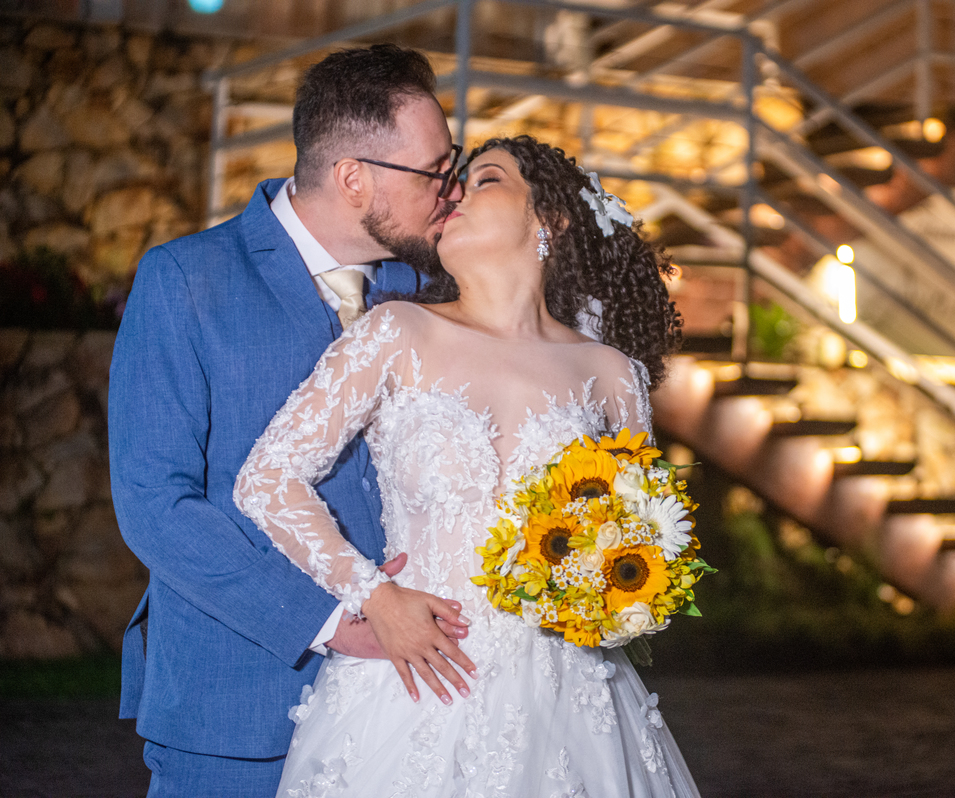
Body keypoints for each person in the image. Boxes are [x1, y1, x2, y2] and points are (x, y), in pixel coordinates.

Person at [233, 135, 700, 796]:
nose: (455, 194)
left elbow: (642, 539)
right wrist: (374, 597)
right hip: (417, 678)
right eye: (456, 181)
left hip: (573, 698)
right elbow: (267, 479)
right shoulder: (396, 332)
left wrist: (613, 593)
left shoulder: (611, 375)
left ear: (550, 219)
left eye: (486, 180)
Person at [109, 45, 478, 796]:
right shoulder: (186, 279)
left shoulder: (429, 289)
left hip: (403, 715)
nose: (453, 190)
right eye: (435, 170)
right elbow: (155, 507)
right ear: (353, 178)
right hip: (237, 710)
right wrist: (332, 621)